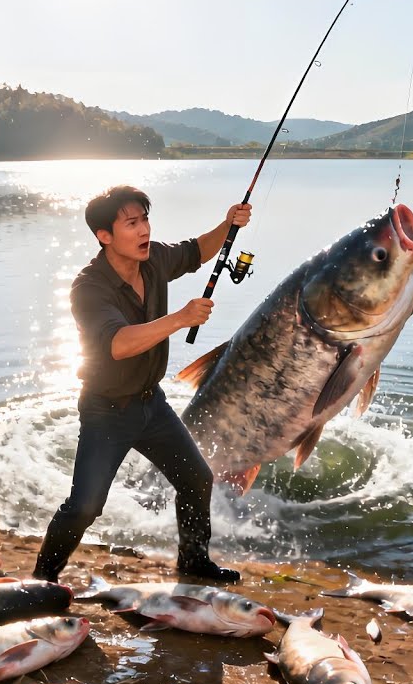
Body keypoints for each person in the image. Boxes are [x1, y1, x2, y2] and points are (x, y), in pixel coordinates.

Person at [31, 185, 250, 584]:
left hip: (152, 404)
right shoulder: (89, 287)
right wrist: (181, 318)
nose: (144, 230)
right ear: (105, 235)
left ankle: (193, 561)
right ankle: (43, 578)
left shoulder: (154, 260)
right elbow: (118, 344)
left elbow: (197, 251)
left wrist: (228, 222)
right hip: (106, 410)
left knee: (196, 478)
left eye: (145, 220)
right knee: (85, 506)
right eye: (132, 223)